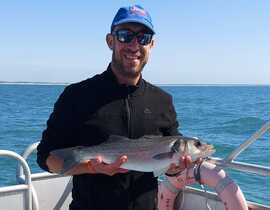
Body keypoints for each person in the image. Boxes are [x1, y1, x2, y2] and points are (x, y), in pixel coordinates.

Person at [37, 4, 191, 210]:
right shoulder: (76, 95)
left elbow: (170, 165)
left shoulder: (162, 101)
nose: (134, 45)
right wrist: (90, 168)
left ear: (151, 45)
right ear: (111, 41)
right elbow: (46, 158)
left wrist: (176, 168)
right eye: (125, 35)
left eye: (143, 37)